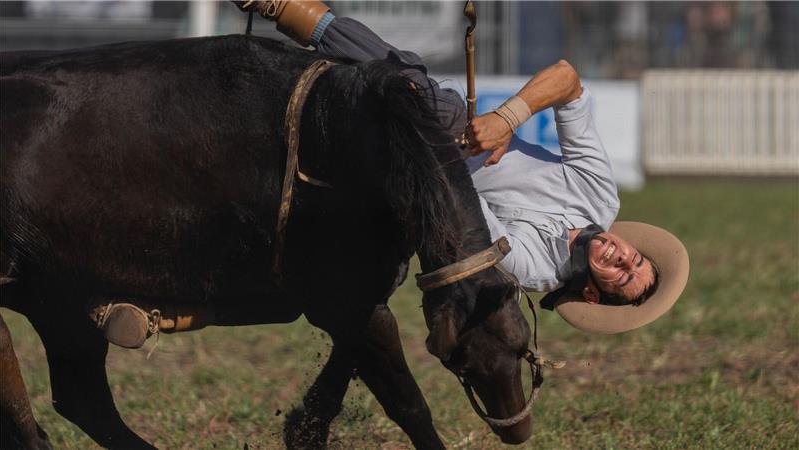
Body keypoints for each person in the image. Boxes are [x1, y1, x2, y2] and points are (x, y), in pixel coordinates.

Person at [240, 0, 690, 334]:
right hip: (446, 127)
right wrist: (505, 120)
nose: (624, 258)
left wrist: (458, 149)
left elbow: (463, 206)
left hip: (421, 183)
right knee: (414, 85)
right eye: (637, 260)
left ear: (592, 294)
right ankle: (284, 6)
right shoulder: (600, 196)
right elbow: (567, 80)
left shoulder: (530, 271)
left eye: (623, 276)